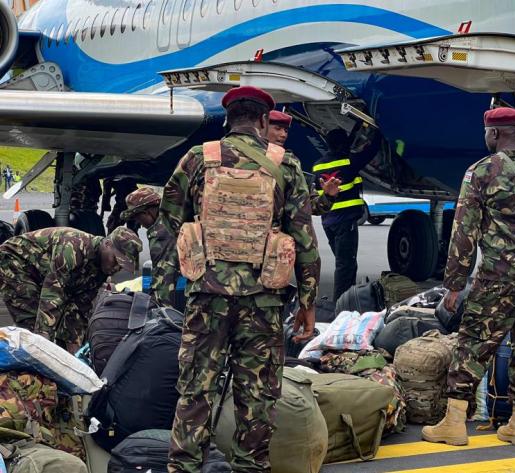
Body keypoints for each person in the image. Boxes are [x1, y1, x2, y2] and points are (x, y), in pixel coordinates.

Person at [160, 86, 320, 473]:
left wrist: (201, 246)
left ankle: (184, 466)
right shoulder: (285, 164)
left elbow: (169, 217)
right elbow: (304, 239)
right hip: (263, 300)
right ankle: (250, 466)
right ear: (264, 121)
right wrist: (307, 302)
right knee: (258, 395)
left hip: (207, 296)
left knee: (196, 389)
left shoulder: (198, 158)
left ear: (228, 120)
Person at [422, 107, 515, 447]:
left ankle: (454, 422)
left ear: (493, 133)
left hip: (499, 275)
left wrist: (454, 284)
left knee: (473, 342)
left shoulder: (480, 172)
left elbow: (464, 234)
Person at [0, 227, 142, 352]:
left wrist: (74, 352)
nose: (116, 268)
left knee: (64, 334)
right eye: (116, 260)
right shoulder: (73, 248)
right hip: (15, 261)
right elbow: (53, 294)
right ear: (107, 244)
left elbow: (80, 307)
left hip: (40, 272)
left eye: (122, 266)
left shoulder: (101, 270)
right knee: (34, 326)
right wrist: (43, 338)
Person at [312, 125, 381, 301]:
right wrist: (380, 131)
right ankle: (341, 304)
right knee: (346, 265)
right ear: (344, 145)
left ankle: (348, 299)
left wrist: (356, 128)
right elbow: (371, 150)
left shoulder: (317, 165)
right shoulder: (349, 162)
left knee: (345, 262)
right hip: (345, 222)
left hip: (328, 222)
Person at [267, 110, 341, 215]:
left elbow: (310, 206)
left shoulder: (290, 165)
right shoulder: (246, 157)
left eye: (286, 131)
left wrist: (328, 196)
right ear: (263, 128)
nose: (283, 134)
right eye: (277, 129)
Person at [121, 187, 179, 308]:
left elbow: (164, 279)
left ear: (147, 212)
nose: (140, 224)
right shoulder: (174, 217)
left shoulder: (160, 234)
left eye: (138, 218)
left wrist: (158, 309)